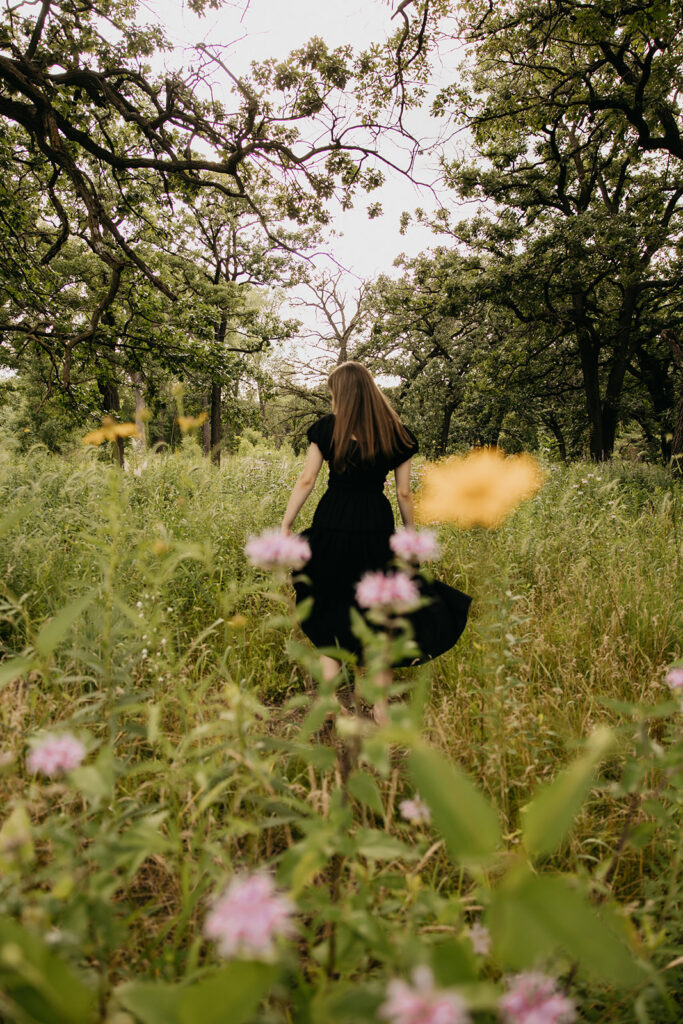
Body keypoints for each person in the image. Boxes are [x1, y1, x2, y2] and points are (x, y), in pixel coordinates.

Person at [279, 361, 470, 691]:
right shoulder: (395, 431)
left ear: (340, 393)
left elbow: (307, 479)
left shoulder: (326, 429)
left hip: (333, 520)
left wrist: (286, 524)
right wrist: (410, 534)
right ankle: (381, 709)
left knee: (329, 602)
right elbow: (404, 492)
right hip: (375, 524)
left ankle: (329, 699)